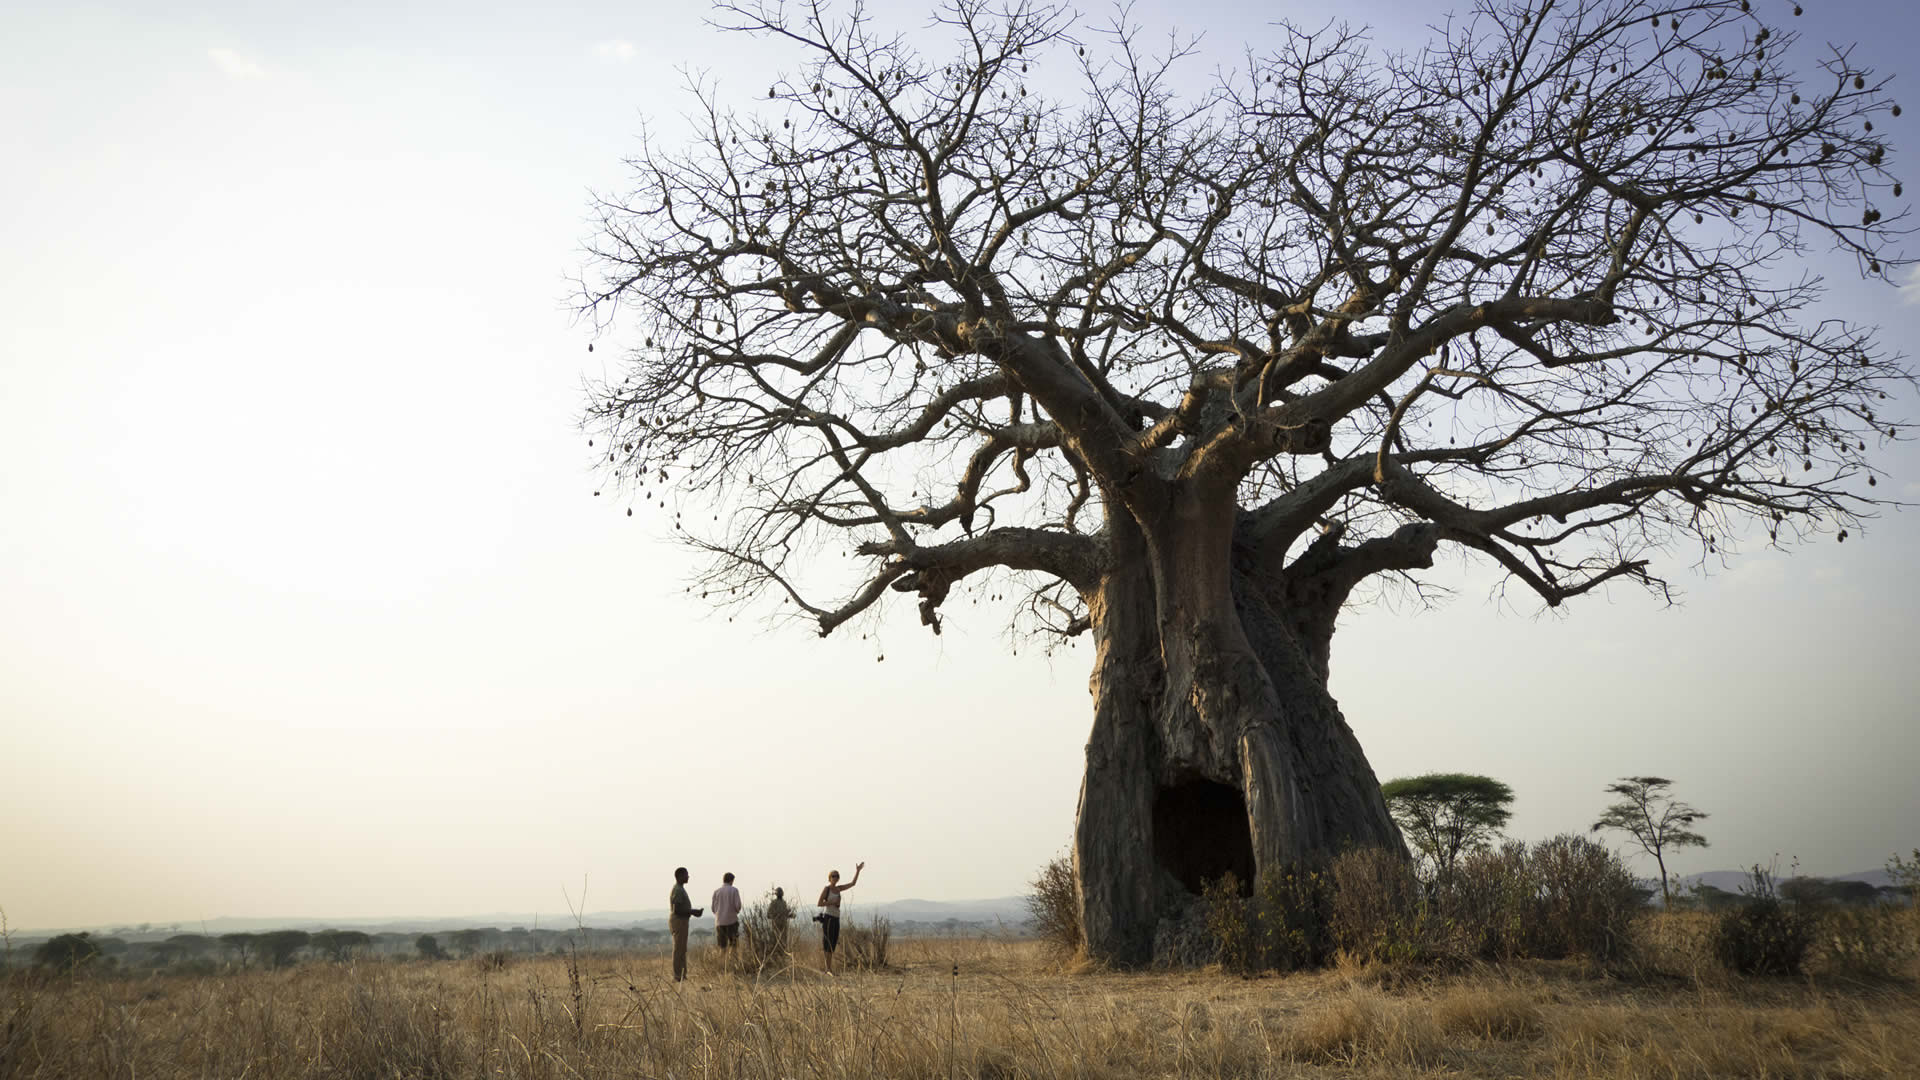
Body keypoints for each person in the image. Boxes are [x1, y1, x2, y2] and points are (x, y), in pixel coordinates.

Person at [816, 861, 863, 974]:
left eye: (837, 876)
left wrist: (857, 871)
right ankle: (828, 969)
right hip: (829, 918)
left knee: (833, 943)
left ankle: (829, 968)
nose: (835, 878)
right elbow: (819, 903)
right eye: (833, 876)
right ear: (829, 878)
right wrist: (831, 902)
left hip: (836, 918)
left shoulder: (838, 889)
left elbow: (852, 884)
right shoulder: (827, 889)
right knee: (827, 943)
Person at [667, 867, 704, 981]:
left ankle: (682, 975)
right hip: (679, 921)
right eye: (686, 875)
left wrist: (693, 912)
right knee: (679, 949)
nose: (688, 877)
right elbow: (677, 910)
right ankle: (678, 976)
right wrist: (693, 912)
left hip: (682, 921)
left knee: (682, 949)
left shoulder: (680, 889)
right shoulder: (677, 890)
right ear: (679, 876)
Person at [711, 872, 743, 951]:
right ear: (731, 880)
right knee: (733, 945)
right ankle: (732, 962)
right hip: (731, 921)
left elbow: (713, 908)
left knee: (722, 947)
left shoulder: (716, 892)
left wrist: (719, 914)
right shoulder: (734, 890)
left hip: (719, 922)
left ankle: (722, 962)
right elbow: (738, 906)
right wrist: (735, 912)